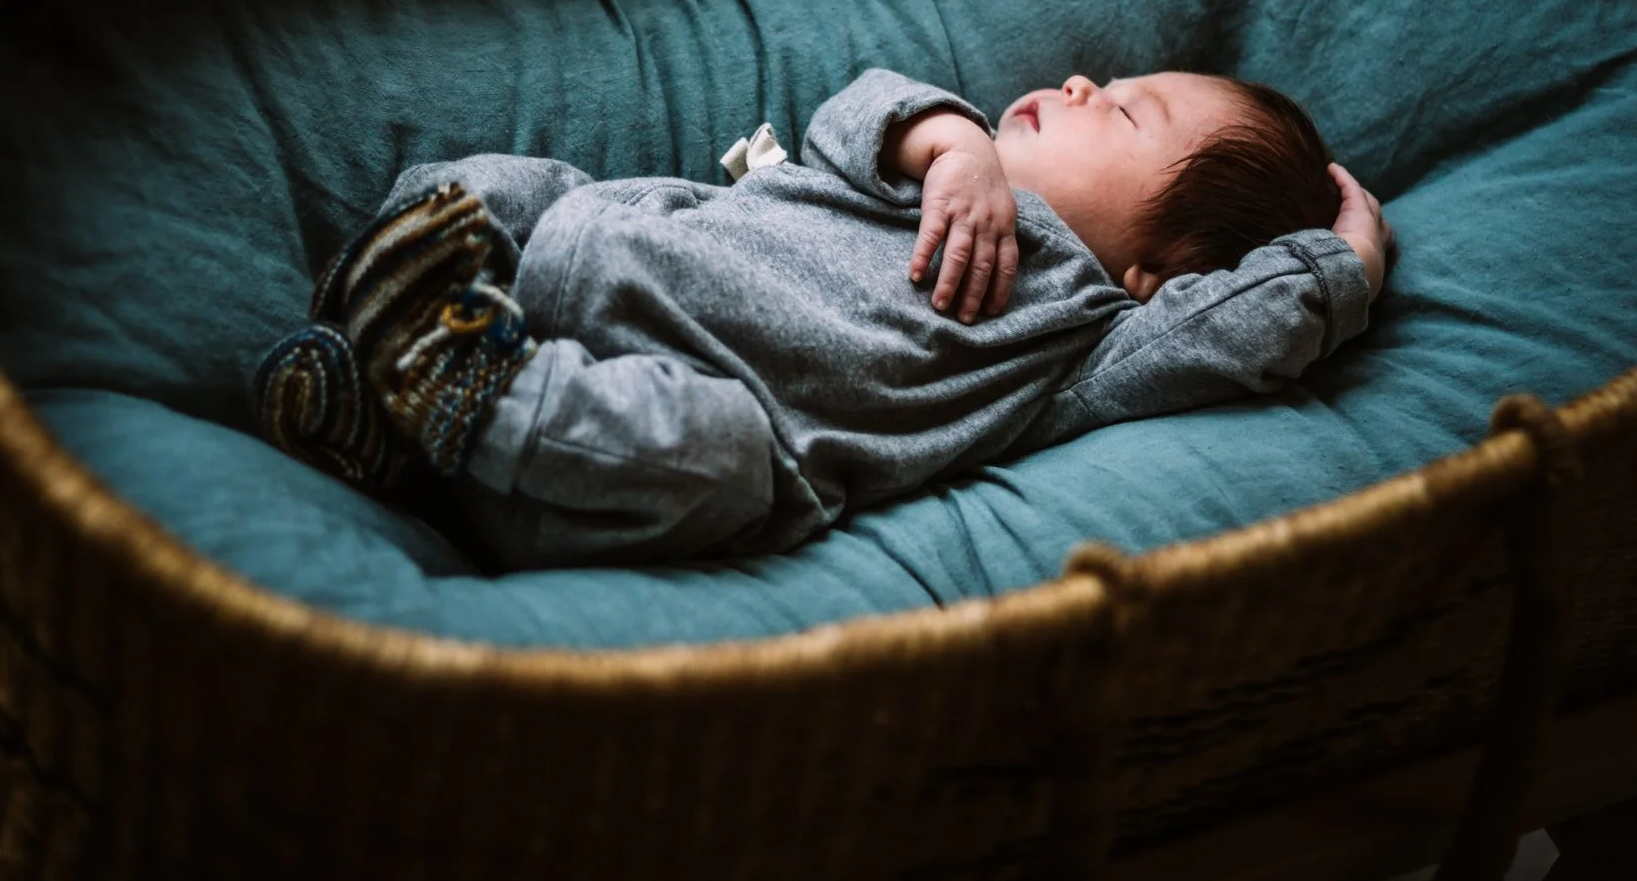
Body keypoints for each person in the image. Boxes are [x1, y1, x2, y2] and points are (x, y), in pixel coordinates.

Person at [254, 69, 1393, 569]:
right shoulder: (942, 161)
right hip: (584, 244)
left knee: (725, 456)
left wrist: (1345, 258)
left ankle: (457, 391)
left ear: (1157, 271)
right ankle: (380, 369)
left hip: (626, 457)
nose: (1089, 84)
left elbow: (1241, 322)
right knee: (500, 184)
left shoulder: (1087, 341)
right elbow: (852, 107)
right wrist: (950, 143)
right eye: (1110, 78)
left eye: (1131, 110)